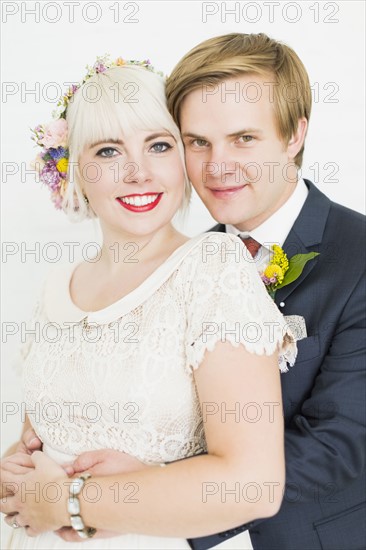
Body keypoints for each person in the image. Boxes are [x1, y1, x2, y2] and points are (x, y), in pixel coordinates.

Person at [18, 33, 365, 550]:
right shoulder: (182, 263)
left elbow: (340, 442)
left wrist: (129, 496)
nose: (217, 166)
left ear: (294, 134)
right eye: (196, 142)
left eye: (243, 139)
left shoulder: (356, 254)